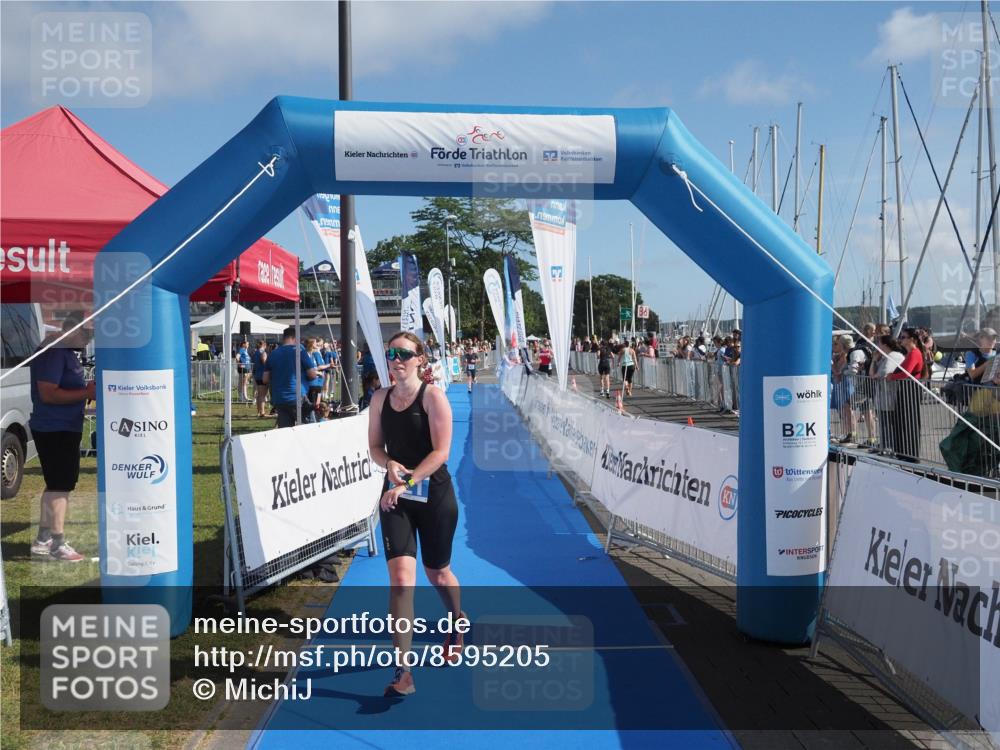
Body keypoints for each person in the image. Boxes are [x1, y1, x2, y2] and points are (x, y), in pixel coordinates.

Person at [368, 332, 463, 697]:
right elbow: (375, 447)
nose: (396, 360)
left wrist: (406, 480)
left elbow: (441, 452)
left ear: (420, 359)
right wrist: (388, 462)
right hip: (396, 498)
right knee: (402, 580)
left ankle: (457, 621)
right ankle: (403, 670)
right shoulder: (379, 398)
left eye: (404, 354)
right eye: (391, 353)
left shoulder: (433, 397)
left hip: (433, 494)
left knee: (437, 574)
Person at [29, 312, 96, 562]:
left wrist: (85, 390)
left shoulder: (65, 351)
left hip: (63, 426)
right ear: (71, 328)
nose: (89, 339)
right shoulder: (55, 351)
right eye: (87, 333)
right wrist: (85, 392)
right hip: (54, 427)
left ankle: (44, 540)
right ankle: (56, 543)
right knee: (60, 485)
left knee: (58, 484)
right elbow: (48, 394)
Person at [262, 327, 318, 428]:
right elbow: (312, 374)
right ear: (294, 338)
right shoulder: (300, 351)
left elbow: (265, 379)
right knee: (311, 430)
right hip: (297, 397)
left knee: (286, 433)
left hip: (280, 399)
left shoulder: (273, 354)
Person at [888, 327, 929, 462]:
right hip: (905, 388)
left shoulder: (914, 353)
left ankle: (910, 454)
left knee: (908, 420)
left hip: (910, 389)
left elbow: (906, 373)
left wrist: (891, 377)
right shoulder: (910, 353)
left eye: (903, 337)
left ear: (912, 339)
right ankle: (903, 452)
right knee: (902, 420)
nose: (901, 339)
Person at [251, 340, 269, 417]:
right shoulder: (263, 352)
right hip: (262, 375)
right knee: (262, 395)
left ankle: (259, 411)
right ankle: (262, 412)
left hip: (257, 375)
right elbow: (264, 361)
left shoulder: (255, 353)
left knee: (259, 394)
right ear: (264, 345)